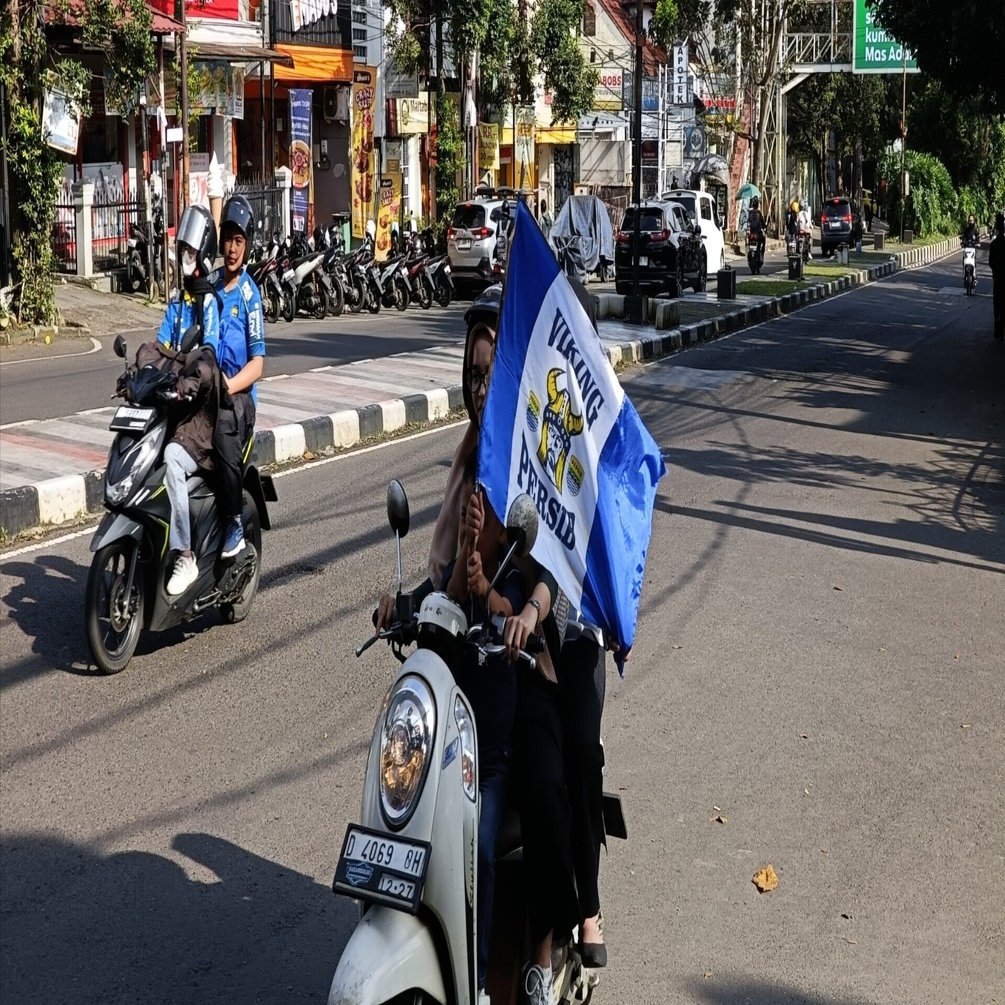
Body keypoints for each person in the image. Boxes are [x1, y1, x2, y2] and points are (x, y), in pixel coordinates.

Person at [153, 204, 224, 596]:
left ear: (204, 257)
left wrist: (190, 381)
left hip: (198, 415)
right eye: (183, 252)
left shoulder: (207, 303)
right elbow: (161, 345)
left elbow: (208, 355)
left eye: (192, 253)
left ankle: (185, 555)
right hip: (172, 407)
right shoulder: (179, 301)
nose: (185, 259)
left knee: (171, 462)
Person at [211, 195, 267, 559]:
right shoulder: (209, 284)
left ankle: (232, 521)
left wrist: (229, 387)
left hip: (237, 397)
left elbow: (257, 364)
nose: (231, 248)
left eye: (239, 241)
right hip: (206, 388)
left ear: (247, 246)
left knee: (219, 430)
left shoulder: (249, 295)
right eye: (227, 238)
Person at [990, 212, 1005, 342]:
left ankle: (998, 332)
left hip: (997, 279)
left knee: (997, 305)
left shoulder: (994, 244)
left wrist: (995, 273)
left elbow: (991, 262)